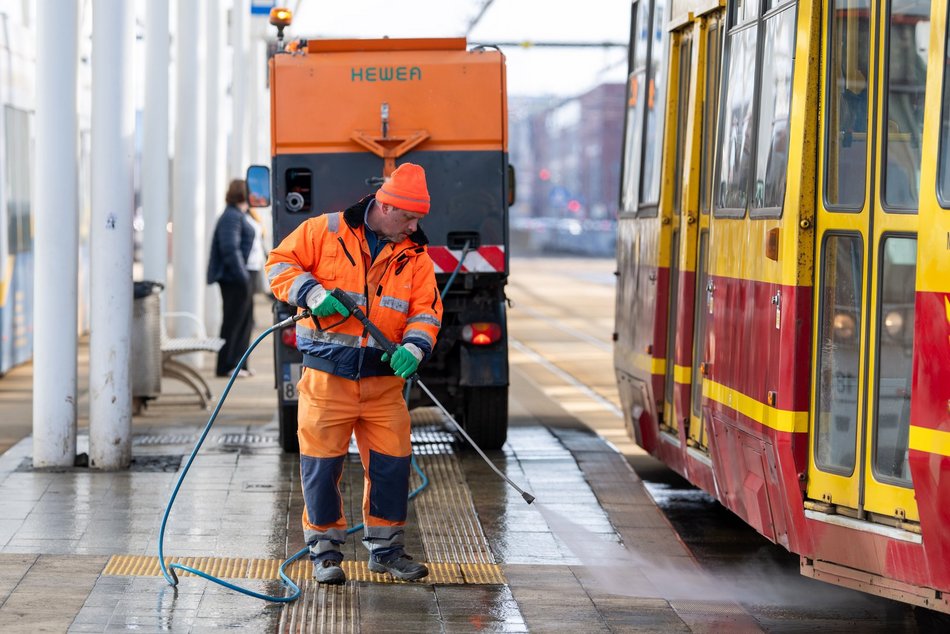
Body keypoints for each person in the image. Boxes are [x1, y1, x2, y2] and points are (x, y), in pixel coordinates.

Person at [265, 163, 443, 585]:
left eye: (419, 218)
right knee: (321, 467)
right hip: (328, 378)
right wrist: (313, 293)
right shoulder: (322, 232)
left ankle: (387, 550)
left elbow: (425, 311)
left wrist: (415, 347)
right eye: (409, 218)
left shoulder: (415, 257)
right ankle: (325, 552)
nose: (415, 227)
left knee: (391, 467)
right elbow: (277, 266)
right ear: (385, 206)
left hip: (384, 383)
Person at [207, 179, 256, 378]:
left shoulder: (239, 214)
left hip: (242, 276)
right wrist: (242, 276)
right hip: (235, 278)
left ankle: (240, 365)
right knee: (233, 321)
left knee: (246, 321)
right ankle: (226, 365)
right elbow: (230, 249)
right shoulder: (231, 217)